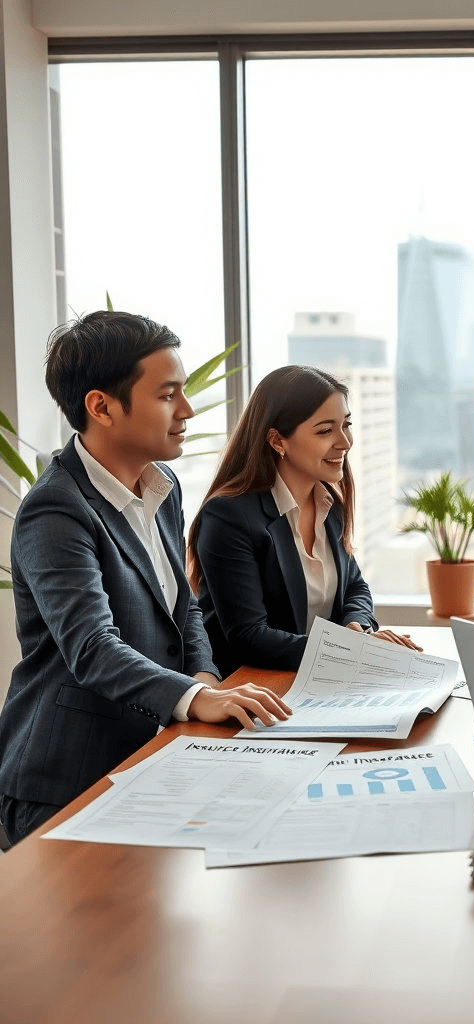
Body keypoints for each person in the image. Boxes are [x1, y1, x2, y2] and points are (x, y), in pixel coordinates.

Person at [0, 311, 290, 845]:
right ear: (100, 406)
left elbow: (185, 607)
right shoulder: (56, 511)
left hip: (148, 758)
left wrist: (204, 678)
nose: (187, 409)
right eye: (167, 395)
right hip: (63, 778)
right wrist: (193, 698)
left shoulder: (163, 489)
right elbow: (91, 647)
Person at [188, 364, 418, 679]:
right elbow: (248, 636)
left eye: (345, 425)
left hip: (318, 682)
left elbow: (354, 585)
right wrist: (350, 651)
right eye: (325, 430)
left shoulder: (329, 503)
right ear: (278, 441)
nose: (345, 442)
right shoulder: (228, 517)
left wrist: (357, 627)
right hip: (254, 687)